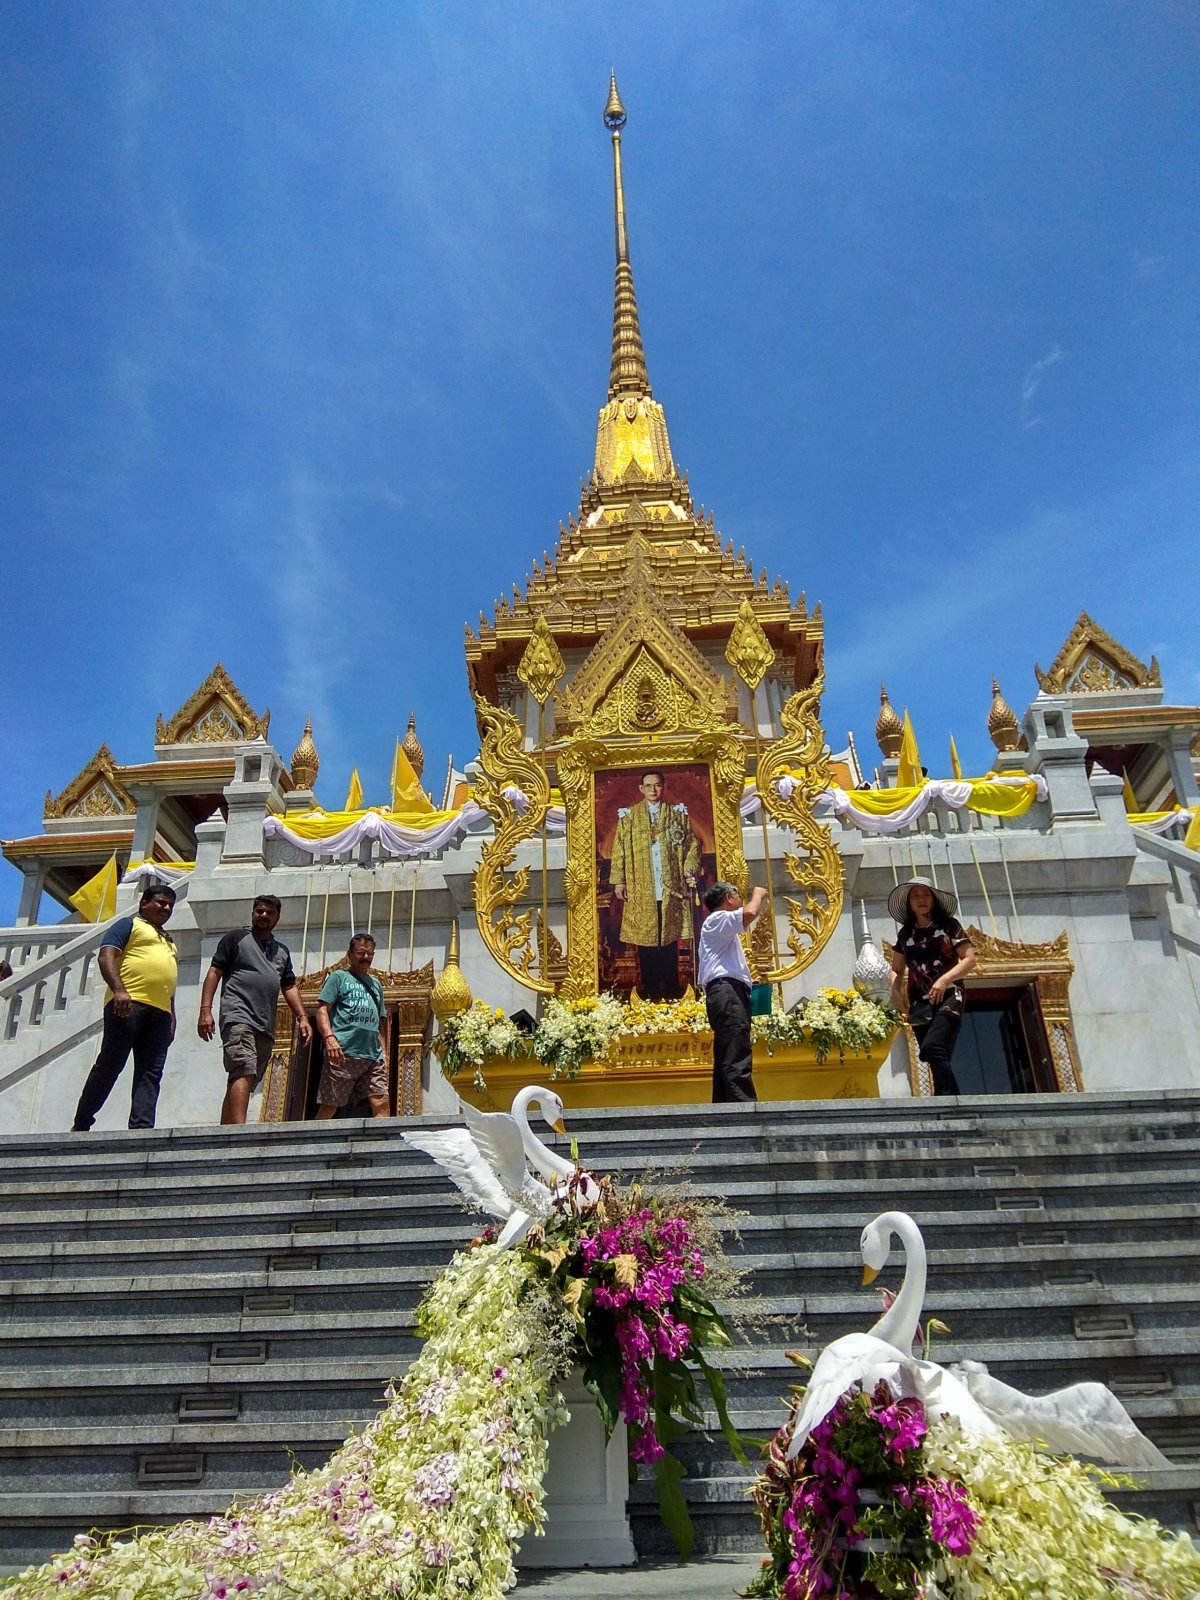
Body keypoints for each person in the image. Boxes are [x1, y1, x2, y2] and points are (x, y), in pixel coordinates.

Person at [71, 882, 179, 1131]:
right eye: (161, 902)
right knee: (111, 1064)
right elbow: (106, 955)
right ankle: (83, 1121)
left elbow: (169, 980)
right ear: (144, 903)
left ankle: (141, 1127)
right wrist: (119, 990)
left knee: (151, 1072)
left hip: (160, 1012)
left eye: (170, 905)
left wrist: (172, 1015)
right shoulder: (129, 925)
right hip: (128, 1005)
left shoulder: (169, 941)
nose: (166, 907)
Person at [197, 894, 313, 1125]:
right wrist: (205, 1010)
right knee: (244, 1068)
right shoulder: (236, 938)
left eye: (269, 912)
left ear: (277, 918)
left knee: (243, 1077)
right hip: (238, 1014)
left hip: (265, 1022)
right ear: (252, 913)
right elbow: (215, 972)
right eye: (259, 911)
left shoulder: (281, 951)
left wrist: (302, 1017)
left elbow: (289, 985)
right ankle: (239, 1131)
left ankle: (225, 1130)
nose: (263, 915)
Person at [610, 769, 702, 1001]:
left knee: (669, 936)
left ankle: (671, 985)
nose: (653, 790)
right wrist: (619, 880)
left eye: (657, 785)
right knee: (647, 937)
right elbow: (618, 849)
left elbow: (692, 844)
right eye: (648, 786)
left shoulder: (677, 815)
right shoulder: (629, 817)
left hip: (670, 886)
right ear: (641, 789)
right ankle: (649, 986)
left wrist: (689, 871)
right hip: (641, 885)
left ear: (664, 787)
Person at [887, 877, 976, 1095]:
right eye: (915, 896)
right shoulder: (905, 934)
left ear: (934, 899)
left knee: (934, 1047)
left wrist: (945, 980)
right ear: (909, 903)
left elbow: (969, 959)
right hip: (919, 1001)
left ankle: (943, 1098)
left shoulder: (949, 926)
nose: (921, 900)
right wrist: (894, 991)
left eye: (925, 894)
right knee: (937, 1055)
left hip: (949, 996)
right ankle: (952, 1101)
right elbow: (896, 969)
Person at [697, 880, 768, 1103]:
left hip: (726, 992)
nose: (741, 899)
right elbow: (750, 912)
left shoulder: (720, 930)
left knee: (728, 1053)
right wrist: (758, 894)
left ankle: (725, 1108)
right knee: (736, 1052)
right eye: (738, 895)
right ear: (728, 898)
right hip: (727, 993)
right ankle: (745, 1110)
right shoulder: (717, 919)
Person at [314, 934, 389, 1119]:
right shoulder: (339, 978)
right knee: (330, 1106)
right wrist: (329, 1039)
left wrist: (384, 1054)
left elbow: (380, 1022)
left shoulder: (376, 984)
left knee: (381, 1103)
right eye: (361, 953)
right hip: (343, 1053)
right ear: (350, 954)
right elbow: (322, 1010)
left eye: (370, 953)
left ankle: (380, 1146)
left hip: (373, 1056)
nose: (366, 958)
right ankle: (314, 1144)